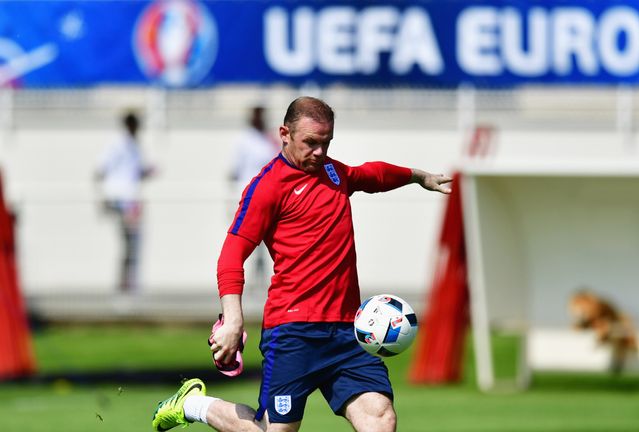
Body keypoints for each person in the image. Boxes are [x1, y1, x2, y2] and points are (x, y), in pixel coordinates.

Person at [152, 96, 452, 432]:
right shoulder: (266, 187)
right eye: (311, 142)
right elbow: (231, 256)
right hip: (293, 331)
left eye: (326, 143)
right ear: (285, 133)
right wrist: (232, 319)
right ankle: (193, 404)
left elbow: (371, 175)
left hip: (348, 332)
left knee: (380, 417)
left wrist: (418, 176)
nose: (320, 152)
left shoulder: (333, 173)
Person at [95, 111, 154, 293]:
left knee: (131, 243)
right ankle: (124, 285)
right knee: (129, 242)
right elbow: (101, 170)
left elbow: (134, 172)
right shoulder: (118, 144)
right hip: (122, 200)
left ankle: (127, 283)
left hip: (130, 199)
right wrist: (107, 196)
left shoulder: (134, 146)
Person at [229, 106, 280, 292]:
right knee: (246, 241)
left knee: (268, 242)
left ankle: (263, 280)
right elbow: (235, 170)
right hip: (250, 197)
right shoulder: (244, 140)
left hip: (269, 197)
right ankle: (244, 281)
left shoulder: (268, 139)